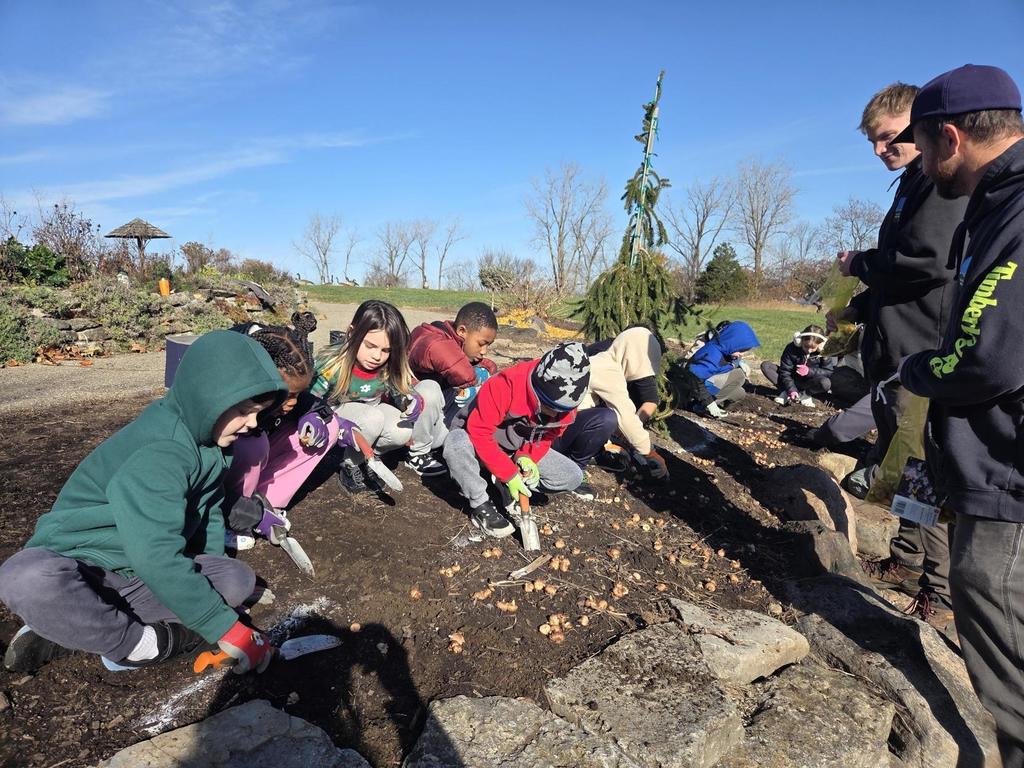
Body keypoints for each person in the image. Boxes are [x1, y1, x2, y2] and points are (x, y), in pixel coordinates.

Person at [0, 331, 287, 674]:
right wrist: (224, 626)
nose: (252, 423)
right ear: (207, 396)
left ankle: (76, 627)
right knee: (25, 577)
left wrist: (211, 592)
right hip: (85, 567)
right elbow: (155, 553)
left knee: (236, 579)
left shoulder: (212, 444)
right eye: (243, 410)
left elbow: (207, 510)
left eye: (258, 413)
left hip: (135, 574)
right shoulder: (162, 451)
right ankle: (141, 645)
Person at [894, 64, 1024, 766]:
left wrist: (918, 369)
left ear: (949, 136)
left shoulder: (1016, 212)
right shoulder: (997, 203)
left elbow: (987, 358)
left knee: (999, 618)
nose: (916, 161)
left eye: (917, 145)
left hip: (1008, 472)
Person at [832, 82, 967, 626]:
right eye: (873, 142)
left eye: (888, 139)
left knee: (923, 468)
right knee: (903, 462)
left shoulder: (939, 188)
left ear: (920, 130)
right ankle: (907, 558)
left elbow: (926, 263)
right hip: (897, 354)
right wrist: (861, 308)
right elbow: (901, 274)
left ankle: (940, 590)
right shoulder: (911, 185)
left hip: (922, 355)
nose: (880, 151)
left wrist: (859, 264)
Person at [222, 313, 360, 548]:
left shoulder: (284, 363)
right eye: (289, 395)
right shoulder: (231, 389)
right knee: (251, 445)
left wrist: (313, 415)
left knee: (330, 425)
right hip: (223, 486)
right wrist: (240, 511)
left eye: (299, 394)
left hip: (259, 442)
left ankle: (267, 502)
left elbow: (308, 401)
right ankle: (233, 519)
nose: (294, 401)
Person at [443, 343, 590, 538]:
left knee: (572, 476)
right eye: (548, 406)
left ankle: (502, 480)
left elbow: (547, 437)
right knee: (455, 443)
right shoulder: (505, 385)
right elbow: (479, 432)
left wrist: (526, 457)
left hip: (513, 449)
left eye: (560, 410)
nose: (554, 413)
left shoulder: (567, 404)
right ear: (536, 388)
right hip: (475, 443)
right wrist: (509, 474)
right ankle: (480, 503)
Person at [313, 300, 449, 491]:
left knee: (402, 430)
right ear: (352, 333)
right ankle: (349, 465)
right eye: (370, 346)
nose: (377, 356)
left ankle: (364, 458)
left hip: (371, 413)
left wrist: (408, 400)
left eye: (386, 350)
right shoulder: (332, 364)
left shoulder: (385, 366)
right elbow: (311, 402)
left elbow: (397, 391)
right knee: (372, 418)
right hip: (337, 416)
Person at [562, 326, 668, 482]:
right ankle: (573, 470)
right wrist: (649, 452)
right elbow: (626, 417)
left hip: (557, 422)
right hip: (559, 429)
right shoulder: (609, 371)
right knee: (608, 418)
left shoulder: (601, 358)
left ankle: (586, 451)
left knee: (606, 416)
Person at [408, 301, 498, 422]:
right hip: (411, 407)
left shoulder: (457, 344)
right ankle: (424, 440)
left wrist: (485, 368)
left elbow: (460, 362)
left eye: (488, 345)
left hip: (433, 408)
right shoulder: (433, 341)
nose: (484, 351)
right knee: (431, 389)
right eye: (481, 344)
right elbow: (460, 371)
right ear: (462, 331)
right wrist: (477, 382)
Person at [686, 320, 761, 410]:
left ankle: (708, 405)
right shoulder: (713, 353)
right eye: (740, 350)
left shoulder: (726, 351)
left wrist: (735, 363)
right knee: (739, 375)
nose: (741, 354)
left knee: (739, 393)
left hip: (708, 382)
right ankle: (699, 405)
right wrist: (708, 402)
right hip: (695, 386)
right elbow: (695, 375)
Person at [761, 325, 836, 408]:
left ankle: (805, 394)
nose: (809, 350)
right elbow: (785, 371)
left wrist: (809, 371)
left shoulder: (824, 353)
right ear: (799, 341)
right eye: (806, 346)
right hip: (792, 379)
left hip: (810, 383)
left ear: (821, 345)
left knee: (825, 383)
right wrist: (791, 389)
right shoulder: (791, 348)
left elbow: (829, 372)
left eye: (813, 348)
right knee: (766, 366)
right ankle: (787, 392)